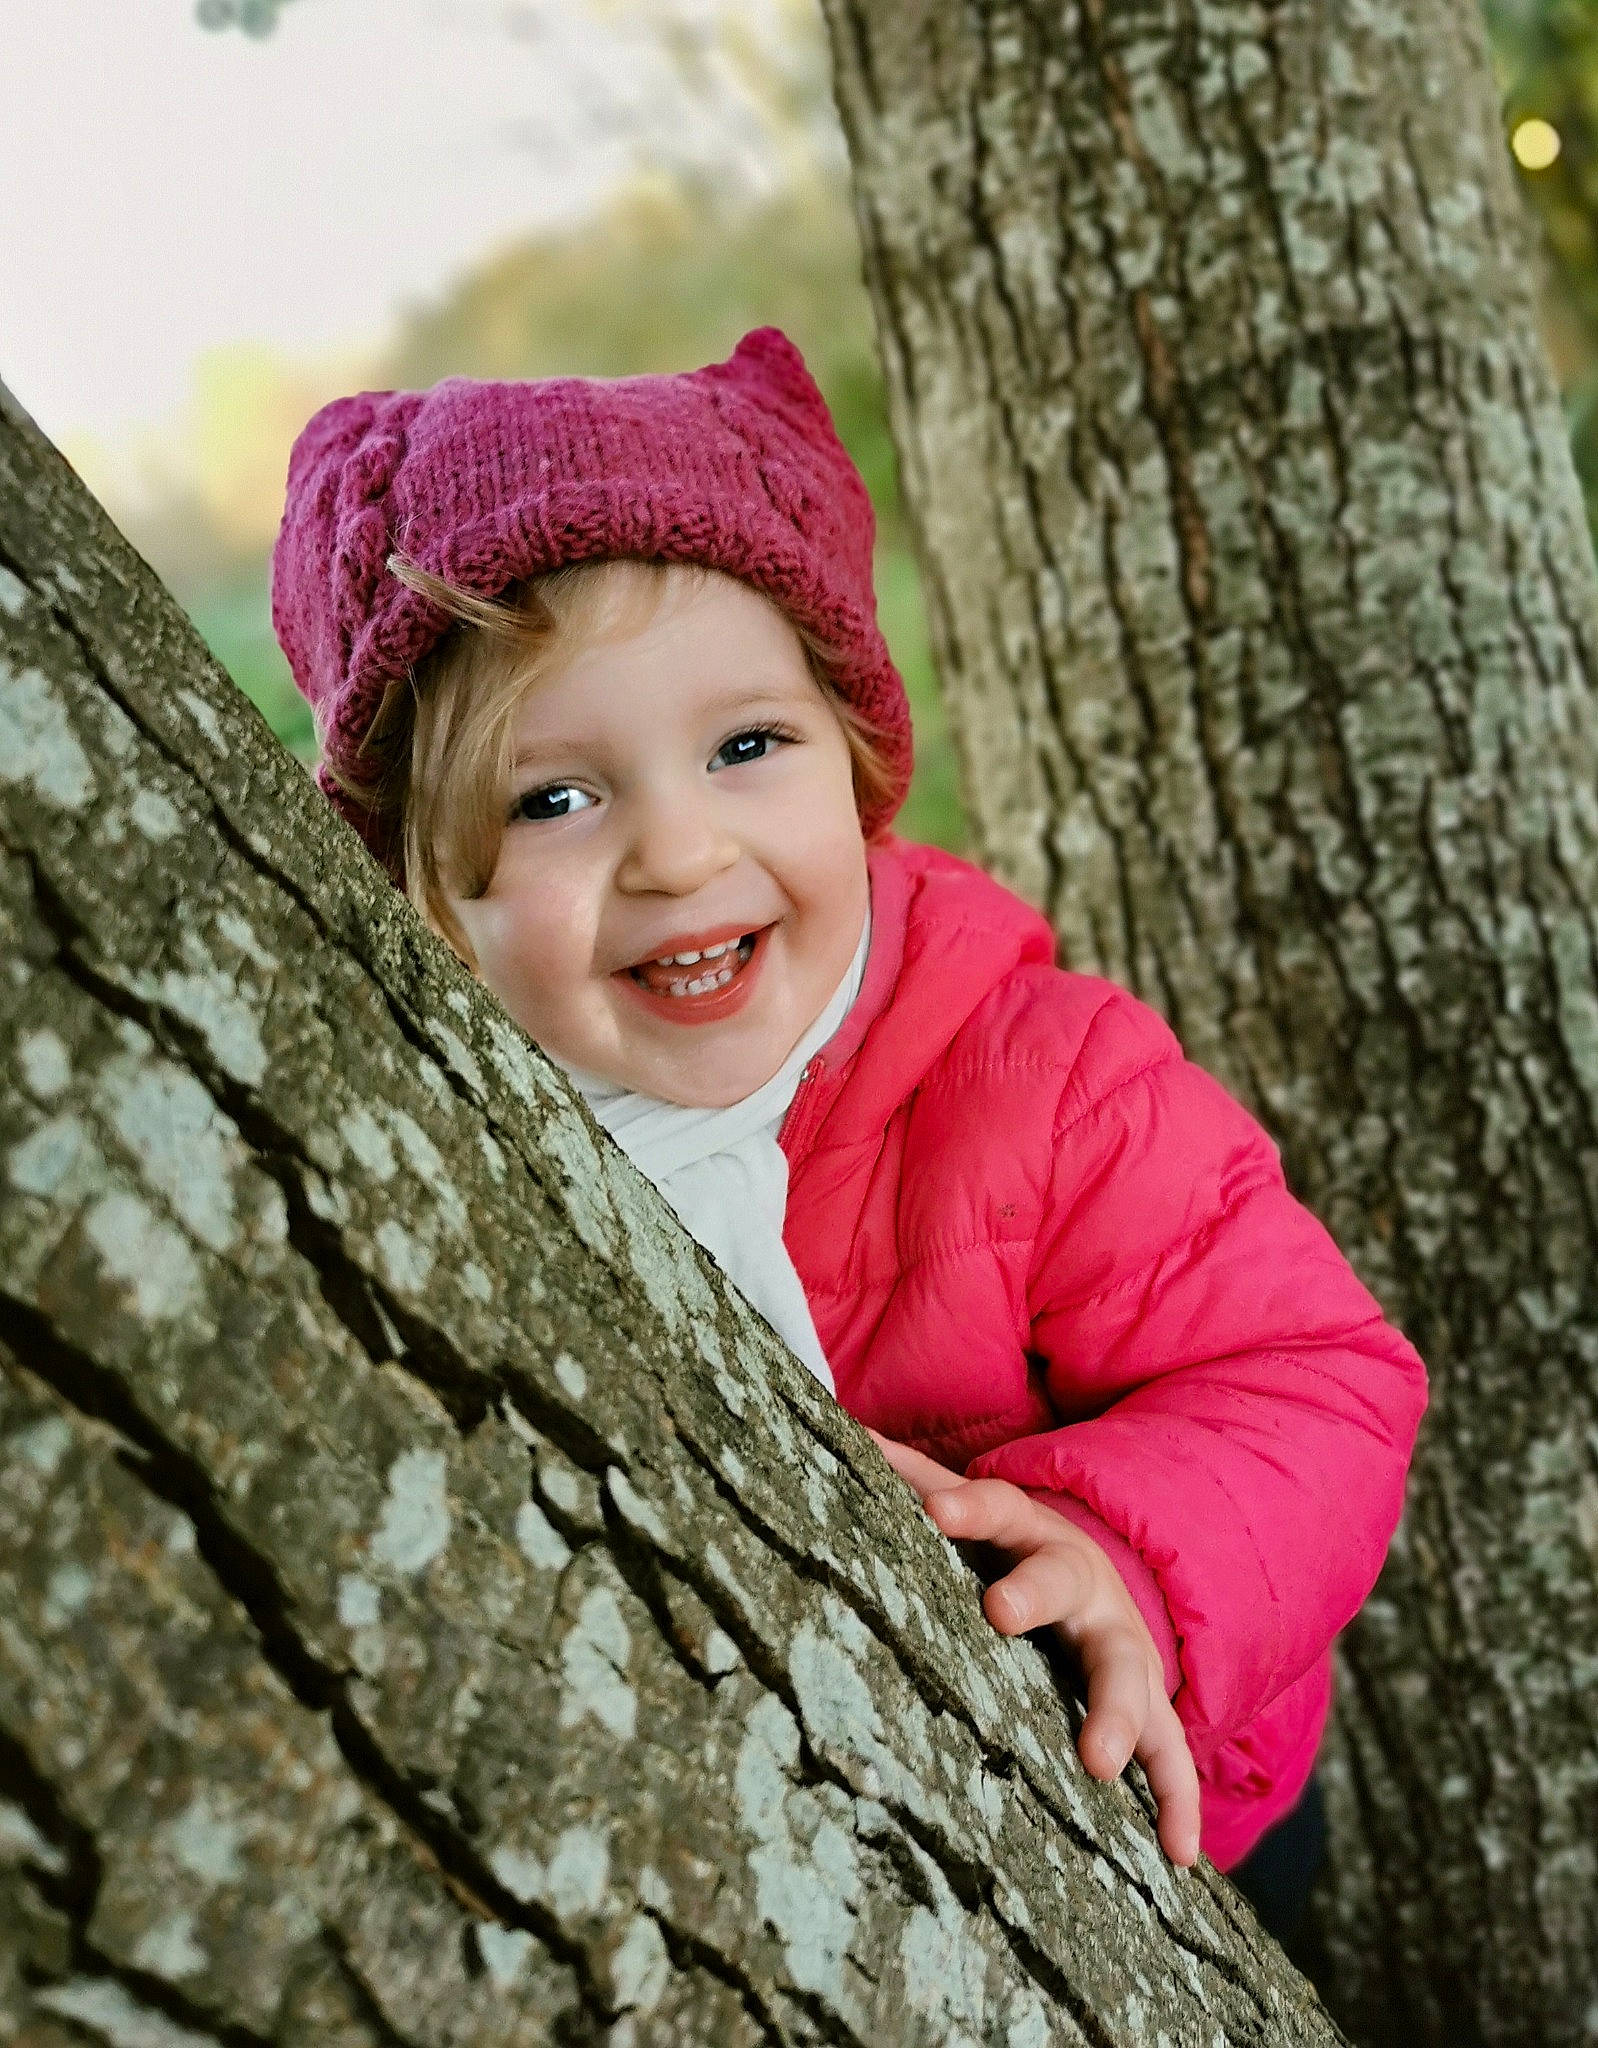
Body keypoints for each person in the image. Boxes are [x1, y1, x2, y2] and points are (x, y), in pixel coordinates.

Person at [270, 326, 1427, 1906]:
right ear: (421, 883)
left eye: (747, 747)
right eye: (554, 798)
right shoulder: (449, 1143)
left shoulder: (1038, 1075)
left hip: (1166, 1780)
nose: (678, 853)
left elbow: (1314, 1376)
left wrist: (1134, 1567)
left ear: (857, 760)